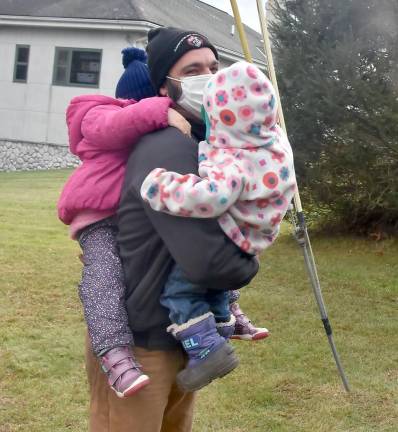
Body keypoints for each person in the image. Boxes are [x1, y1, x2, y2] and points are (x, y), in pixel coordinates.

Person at [86, 27, 259, 432]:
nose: (211, 77)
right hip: (143, 343)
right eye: (194, 69)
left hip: (177, 337)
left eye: (215, 67)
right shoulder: (169, 146)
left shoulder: (202, 143)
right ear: (165, 85)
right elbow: (207, 263)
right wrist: (252, 254)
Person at [140, 60, 296, 390]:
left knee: (180, 292)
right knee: (213, 290)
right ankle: (222, 328)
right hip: (257, 233)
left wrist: (162, 187)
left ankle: (207, 351)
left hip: (232, 233)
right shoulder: (274, 142)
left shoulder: (236, 161)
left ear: (223, 118)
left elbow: (210, 197)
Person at [57, 47, 191, 398]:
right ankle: (113, 351)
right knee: (104, 275)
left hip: (129, 215)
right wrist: (162, 110)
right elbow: (118, 124)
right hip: (98, 214)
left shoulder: (151, 133)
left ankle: (225, 308)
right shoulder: (97, 113)